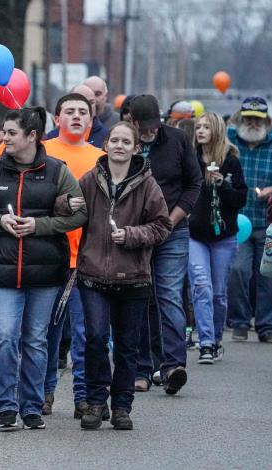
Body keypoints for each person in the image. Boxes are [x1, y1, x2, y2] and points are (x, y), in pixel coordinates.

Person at [0, 107, 87, 430]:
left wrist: (39, 225)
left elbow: (79, 214)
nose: (4, 138)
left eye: (11, 133)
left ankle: (31, 406)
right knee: (4, 336)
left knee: (35, 339)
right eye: (4, 132)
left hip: (46, 271)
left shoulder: (58, 171)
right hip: (3, 269)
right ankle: (6, 405)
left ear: (32, 136)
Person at [71, 121, 171, 430]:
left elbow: (162, 226)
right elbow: (68, 206)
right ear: (106, 144)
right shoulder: (90, 179)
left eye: (126, 142)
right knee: (97, 339)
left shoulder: (147, 185)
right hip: (93, 275)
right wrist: (66, 202)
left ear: (135, 148)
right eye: (114, 140)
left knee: (128, 346)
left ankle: (122, 406)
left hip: (133, 277)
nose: (119, 145)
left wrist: (130, 235)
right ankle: (96, 401)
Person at [130, 94, 203, 395]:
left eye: (153, 126)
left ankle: (173, 365)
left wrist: (171, 220)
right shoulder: (122, 141)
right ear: (132, 123)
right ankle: (142, 368)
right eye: (144, 127)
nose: (150, 132)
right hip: (135, 231)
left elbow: (194, 183)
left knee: (169, 295)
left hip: (173, 228)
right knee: (138, 297)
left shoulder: (177, 140)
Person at [41, 93, 105, 419]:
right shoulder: (41, 152)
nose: (77, 116)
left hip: (89, 260)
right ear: (56, 119)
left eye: (83, 112)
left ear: (91, 121)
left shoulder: (102, 157)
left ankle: (83, 396)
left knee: (86, 333)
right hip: (48, 256)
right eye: (69, 111)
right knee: (47, 331)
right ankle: (44, 392)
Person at [188, 112, 247, 362]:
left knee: (219, 293)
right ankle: (206, 343)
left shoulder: (231, 162)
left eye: (206, 127)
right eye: (198, 127)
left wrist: (223, 185)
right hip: (195, 234)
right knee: (201, 285)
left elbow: (240, 200)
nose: (200, 131)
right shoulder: (190, 159)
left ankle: (216, 338)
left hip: (224, 236)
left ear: (217, 131)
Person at [227, 97, 272, 342]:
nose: (253, 122)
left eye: (258, 118)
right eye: (248, 118)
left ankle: (266, 325)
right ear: (241, 117)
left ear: (266, 119)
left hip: (268, 222)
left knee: (266, 275)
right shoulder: (230, 140)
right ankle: (241, 320)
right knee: (238, 270)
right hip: (239, 221)